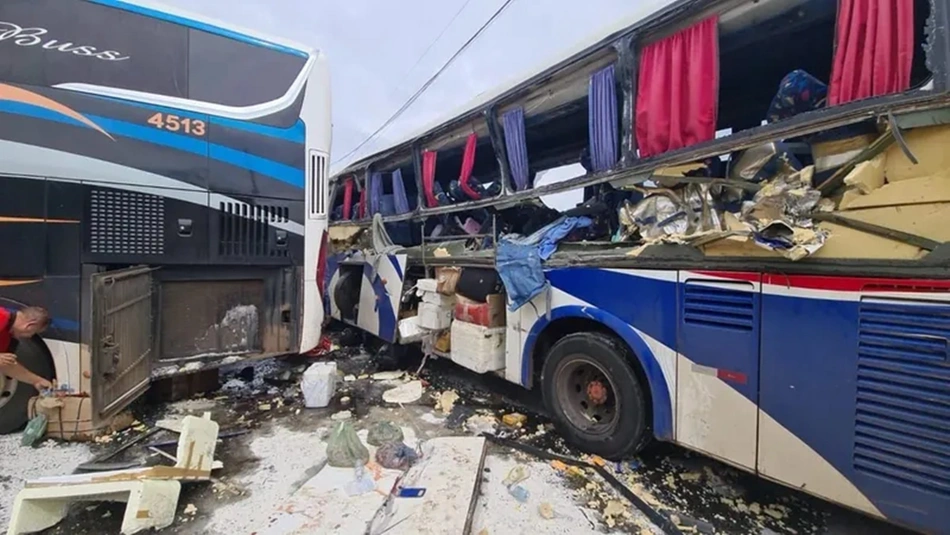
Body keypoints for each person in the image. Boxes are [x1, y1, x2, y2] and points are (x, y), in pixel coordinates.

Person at [0, 306, 53, 391]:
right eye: (33, 332)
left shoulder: (9, 339)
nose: (30, 336)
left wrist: (37, 380)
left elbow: (6, 365)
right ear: (30, 325)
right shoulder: (1, 316)